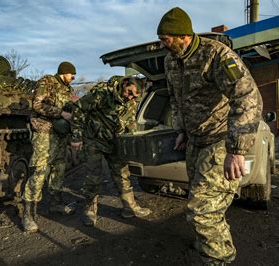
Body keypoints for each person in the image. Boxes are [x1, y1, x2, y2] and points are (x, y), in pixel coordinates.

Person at [157, 7, 263, 265]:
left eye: (166, 39)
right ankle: (209, 243)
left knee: (202, 211)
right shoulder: (170, 61)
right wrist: (181, 130)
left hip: (220, 139)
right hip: (195, 142)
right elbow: (176, 99)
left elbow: (247, 97)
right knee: (205, 205)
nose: (162, 44)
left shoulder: (215, 55)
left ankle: (220, 259)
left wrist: (236, 150)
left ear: (184, 36)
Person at [70, 76, 151, 227]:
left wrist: (131, 140)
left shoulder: (131, 102)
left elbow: (131, 121)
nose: (131, 97)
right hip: (94, 140)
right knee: (93, 177)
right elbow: (79, 108)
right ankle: (90, 211)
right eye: (129, 92)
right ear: (125, 84)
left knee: (122, 174)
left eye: (135, 96)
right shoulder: (102, 94)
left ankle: (130, 207)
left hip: (115, 142)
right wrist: (76, 136)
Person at [22, 61, 79, 233]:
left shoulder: (67, 90)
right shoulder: (46, 82)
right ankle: (28, 214)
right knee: (40, 169)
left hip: (60, 134)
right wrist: (61, 113)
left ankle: (56, 204)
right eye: (72, 75)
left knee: (59, 167)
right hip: (44, 132)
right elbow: (37, 105)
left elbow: (71, 108)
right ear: (64, 72)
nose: (74, 78)